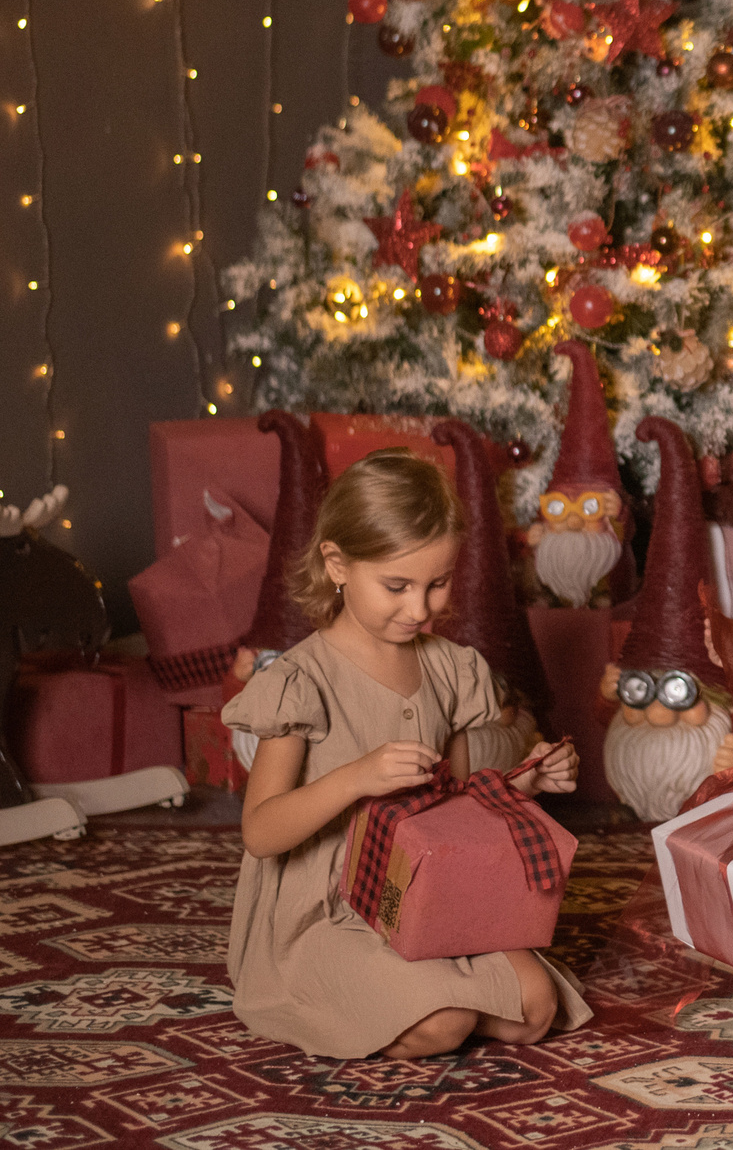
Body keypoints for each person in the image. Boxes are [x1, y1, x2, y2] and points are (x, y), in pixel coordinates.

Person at [224, 450, 594, 1058]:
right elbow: (261, 833)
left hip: (427, 891)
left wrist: (525, 785)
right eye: (397, 587)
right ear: (337, 565)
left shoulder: (450, 669)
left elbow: (456, 808)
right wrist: (355, 778)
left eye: (437, 584)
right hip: (328, 908)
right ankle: (365, 995)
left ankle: (418, 995)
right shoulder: (300, 682)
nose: (420, 609)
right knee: (445, 1024)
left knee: (536, 1009)